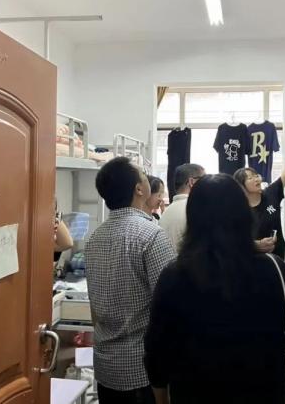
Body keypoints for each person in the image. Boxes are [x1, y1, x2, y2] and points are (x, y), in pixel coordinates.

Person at [144, 174, 285, 404]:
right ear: (244, 216)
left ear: (193, 218)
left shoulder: (173, 276)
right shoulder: (274, 271)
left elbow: (156, 354)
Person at [85, 157, 177, 404]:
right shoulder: (151, 235)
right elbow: (171, 305)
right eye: (144, 176)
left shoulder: (94, 237)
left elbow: (94, 311)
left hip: (106, 366)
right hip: (143, 370)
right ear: (139, 189)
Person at [158, 163, 205, 250]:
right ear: (191, 182)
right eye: (204, 180)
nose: (206, 184)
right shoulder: (195, 209)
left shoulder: (166, 212)